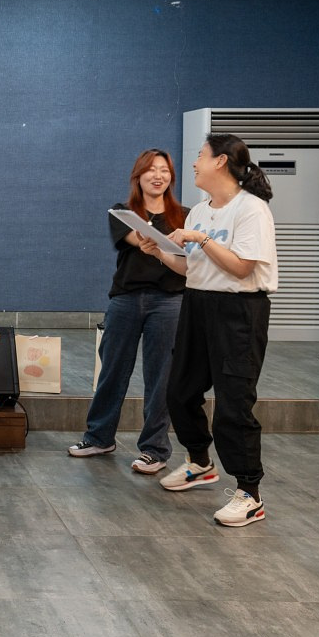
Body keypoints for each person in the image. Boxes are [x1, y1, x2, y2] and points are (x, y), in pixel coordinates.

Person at [138, 133, 277, 528]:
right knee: (179, 391)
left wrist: (200, 238)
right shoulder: (200, 209)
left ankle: (250, 493)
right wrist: (160, 252)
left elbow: (242, 268)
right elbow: (191, 267)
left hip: (238, 311)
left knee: (234, 404)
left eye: (200, 156)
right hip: (197, 303)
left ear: (220, 162)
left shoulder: (252, 210)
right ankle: (199, 462)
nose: (194, 163)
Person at [68, 149, 186, 474]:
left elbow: (186, 258)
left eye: (164, 170)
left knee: (160, 377)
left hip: (170, 301)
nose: (158, 176)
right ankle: (99, 437)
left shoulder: (185, 217)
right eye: (151, 170)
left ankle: (154, 450)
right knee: (112, 369)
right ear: (138, 176)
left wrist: (162, 245)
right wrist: (159, 243)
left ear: (171, 177)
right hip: (126, 298)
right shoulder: (122, 212)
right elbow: (137, 239)